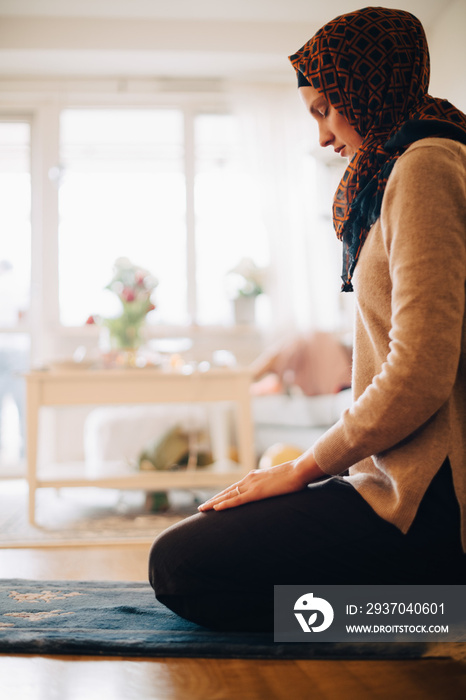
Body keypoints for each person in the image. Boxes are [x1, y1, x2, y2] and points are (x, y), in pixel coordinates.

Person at [149, 7, 466, 632]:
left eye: (326, 108)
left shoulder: (426, 166)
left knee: (182, 567)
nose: (322, 135)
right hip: (387, 478)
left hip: (424, 496)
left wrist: (302, 469)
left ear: (368, 87)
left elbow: (423, 370)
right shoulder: (401, 166)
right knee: (186, 556)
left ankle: (427, 614)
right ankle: (420, 608)